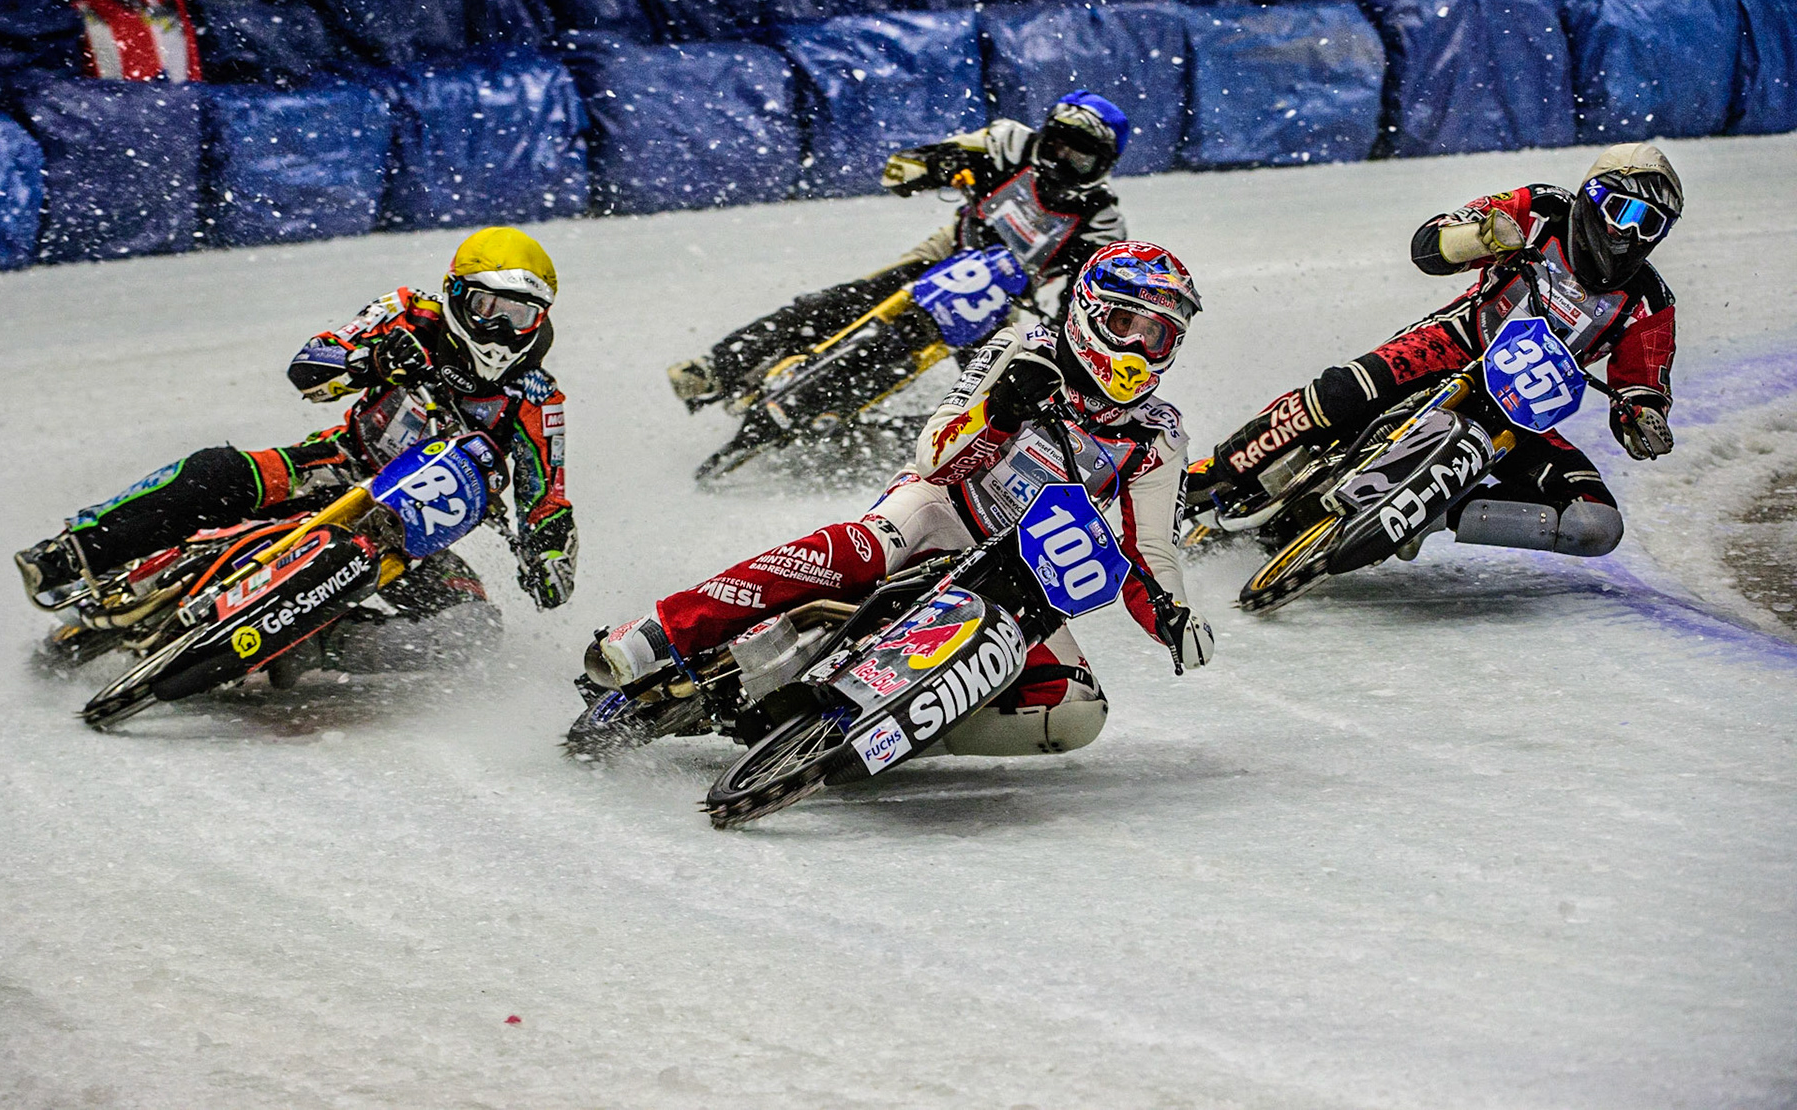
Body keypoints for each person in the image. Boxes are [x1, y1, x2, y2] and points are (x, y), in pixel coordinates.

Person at [599, 241, 1214, 757]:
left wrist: (1173, 615)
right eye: (1124, 324)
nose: (1135, 348)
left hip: (1024, 576)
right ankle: (666, 628)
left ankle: (888, 733)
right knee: (863, 549)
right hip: (941, 509)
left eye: (1156, 336)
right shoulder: (1019, 349)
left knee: (1076, 708)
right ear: (1086, 312)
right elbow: (936, 456)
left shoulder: (1158, 433)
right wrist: (1000, 412)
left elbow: (1148, 546)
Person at [15, 226, 579, 645]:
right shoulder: (408, 312)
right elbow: (310, 365)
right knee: (220, 471)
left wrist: (550, 555)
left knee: (471, 631)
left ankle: (321, 646)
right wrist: (374, 359)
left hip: (410, 532)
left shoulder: (537, 398)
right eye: (488, 308)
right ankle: (75, 551)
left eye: (521, 316)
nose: (502, 329)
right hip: (334, 463)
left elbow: (545, 496)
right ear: (456, 295)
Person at [1190, 143, 1684, 557]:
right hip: (1456, 344)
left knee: (1596, 524)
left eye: (1653, 225)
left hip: (1522, 413)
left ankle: (1438, 510)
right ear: (1593, 196)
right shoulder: (1541, 209)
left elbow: (1643, 387)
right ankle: (1215, 471)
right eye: (1627, 212)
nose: (1632, 234)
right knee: (1341, 392)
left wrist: (1641, 417)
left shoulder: (1651, 302)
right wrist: (1479, 238)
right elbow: (1429, 245)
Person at [666, 91, 1134, 408]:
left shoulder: (1102, 221)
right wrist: (937, 166)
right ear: (1042, 135)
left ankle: (953, 452)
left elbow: (1087, 300)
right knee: (840, 302)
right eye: (1056, 146)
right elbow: (901, 168)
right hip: (947, 250)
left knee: (998, 392)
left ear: (1104, 165)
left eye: (1079, 156)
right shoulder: (1008, 142)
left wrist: (1066, 331)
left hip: (1002, 299)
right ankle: (719, 368)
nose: (1060, 162)